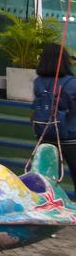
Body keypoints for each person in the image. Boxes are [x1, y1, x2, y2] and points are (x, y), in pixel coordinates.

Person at [31, 42, 76, 188]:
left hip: (44, 135)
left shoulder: (38, 82)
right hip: (70, 138)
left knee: (46, 183)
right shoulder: (71, 83)